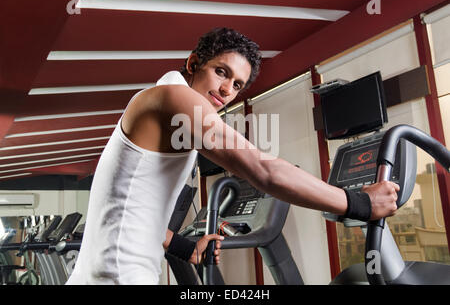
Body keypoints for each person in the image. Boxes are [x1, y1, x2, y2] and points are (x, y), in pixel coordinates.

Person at [66, 27, 399, 285]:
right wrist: (360, 203)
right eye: (221, 72)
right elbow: (262, 170)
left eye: (238, 85)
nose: (227, 90)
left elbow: (132, 216)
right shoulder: (172, 97)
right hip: (119, 275)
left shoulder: (164, 108)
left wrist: (184, 247)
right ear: (194, 63)